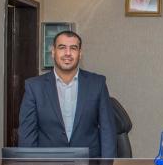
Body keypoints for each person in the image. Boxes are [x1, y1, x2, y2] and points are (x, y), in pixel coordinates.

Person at [18, 30, 117, 158]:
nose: (68, 53)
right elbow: (27, 136)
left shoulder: (97, 84)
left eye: (73, 48)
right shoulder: (34, 87)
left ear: (80, 54)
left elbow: (107, 131)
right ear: (53, 52)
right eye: (62, 47)